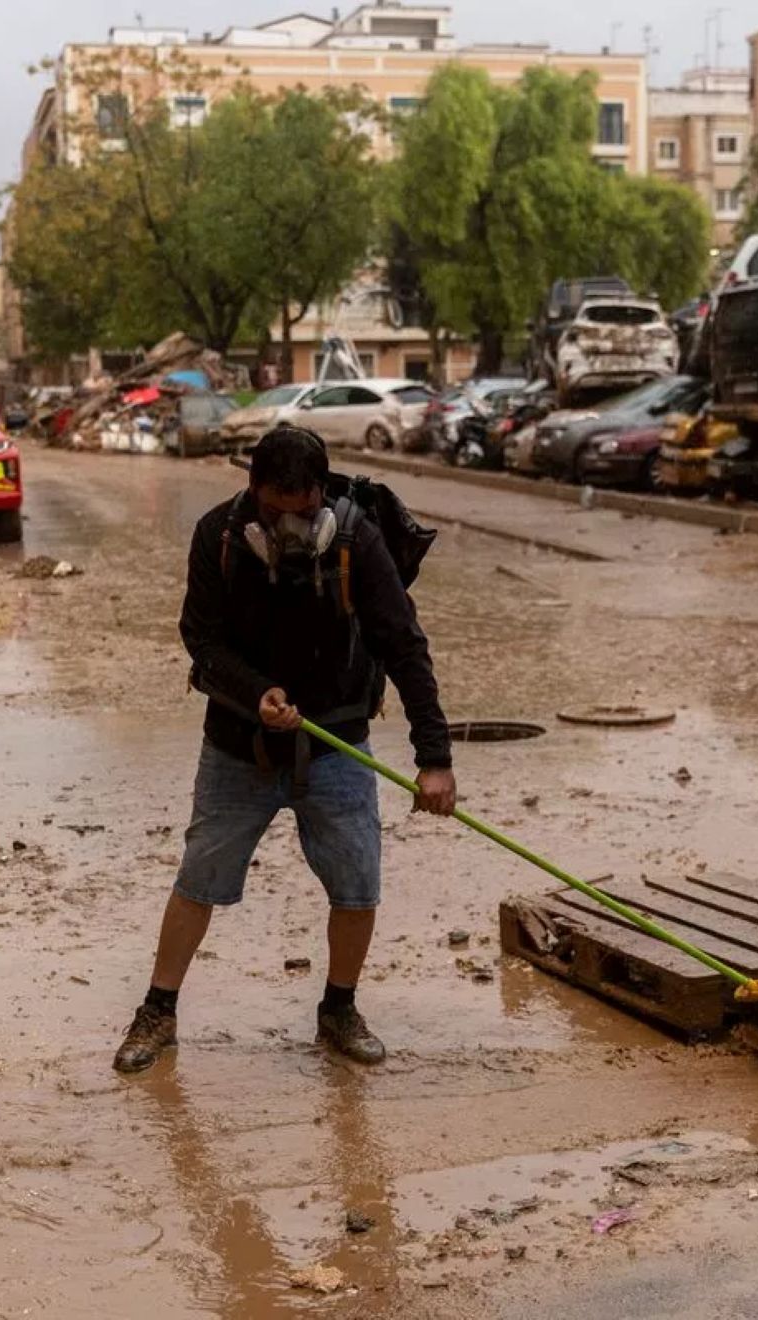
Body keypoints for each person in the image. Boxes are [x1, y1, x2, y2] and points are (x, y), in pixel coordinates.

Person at [115, 426, 456, 1074]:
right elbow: (201, 639)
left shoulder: (358, 541)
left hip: (337, 748)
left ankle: (339, 1009)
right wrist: (257, 693)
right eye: (276, 509)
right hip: (238, 748)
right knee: (199, 878)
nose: (290, 524)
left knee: (357, 885)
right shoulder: (218, 536)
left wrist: (434, 758)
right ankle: (158, 1011)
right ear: (252, 490)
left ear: (321, 496)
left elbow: (405, 646)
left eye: (302, 511)